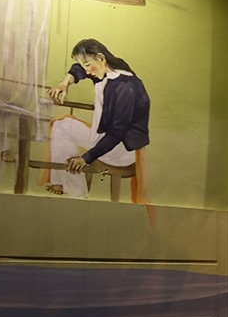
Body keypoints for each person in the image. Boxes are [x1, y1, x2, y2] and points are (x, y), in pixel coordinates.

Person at [44, 39, 150, 198]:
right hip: (103, 138)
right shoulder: (106, 72)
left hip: (120, 149)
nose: (86, 71)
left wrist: (86, 158)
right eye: (85, 65)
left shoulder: (125, 86)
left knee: (64, 127)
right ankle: (69, 186)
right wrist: (64, 84)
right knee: (61, 124)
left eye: (87, 65)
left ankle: (74, 190)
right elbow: (77, 69)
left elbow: (117, 132)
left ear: (101, 58)